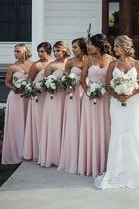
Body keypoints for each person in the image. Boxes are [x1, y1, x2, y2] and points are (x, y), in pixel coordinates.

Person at [95, 35, 139, 189]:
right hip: (116, 104)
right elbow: (108, 85)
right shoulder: (112, 64)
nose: (114, 49)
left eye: (117, 46)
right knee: (117, 133)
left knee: (133, 132)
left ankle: (136, 170)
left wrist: (129, 94)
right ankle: (115, 170)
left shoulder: (137, 64)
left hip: (133, 103)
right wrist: (118, 95)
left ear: (124, 47)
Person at [78, 34, 114, 177]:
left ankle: (106, 162)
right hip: (90, 100)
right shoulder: (88, 59)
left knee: (106, 127)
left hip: (106, 98)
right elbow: (82, 80)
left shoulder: (112, 59)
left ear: (98, 45)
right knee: (92, 128)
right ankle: (91, 162)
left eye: (91, 44)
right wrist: (89, 92)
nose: (88, 46)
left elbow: (113, 79)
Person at [38, 41, 70, 167]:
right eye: (55, 51)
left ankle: (65, 155)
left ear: (65, 51)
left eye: (59, 50)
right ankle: (52, 156)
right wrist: (50, 86)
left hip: (66, 98)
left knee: (65, 124)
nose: (56, 53)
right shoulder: (51, 66)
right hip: (53, 99)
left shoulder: (70, 63)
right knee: (54, 125)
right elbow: (45, 84)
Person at [58, 38, 87, 174]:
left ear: (82, 47)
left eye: (75, 47)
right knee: (74, 123)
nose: (73, 50)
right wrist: (68, 82)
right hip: (73, 94)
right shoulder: (70, 62)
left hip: (88, 93)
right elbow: (64, 80)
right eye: (72, 47)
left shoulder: (90, 59)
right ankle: (73, 155)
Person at [2, 43, 32, 164]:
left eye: (18, 51)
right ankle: (16, 153)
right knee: (17, 124)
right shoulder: (12, 67)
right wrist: (16, 88)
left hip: (28, 97)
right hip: (16, 98)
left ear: (25, 51)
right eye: (14, 51)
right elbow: (7, 83)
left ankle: (28, 151)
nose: (15, 53)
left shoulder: (32, 64)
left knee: (28, 122)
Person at [23, 42, 53, 161]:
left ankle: (47, 150)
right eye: (39, 51)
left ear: (48, 52)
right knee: (38, 122)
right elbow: (28, 82)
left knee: (47, 123)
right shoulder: (36, 65)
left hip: (49, 96)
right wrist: (34, 88)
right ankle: (37, 151)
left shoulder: (53, 63)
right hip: (37, 97)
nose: (40, 54)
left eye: (42, 51)